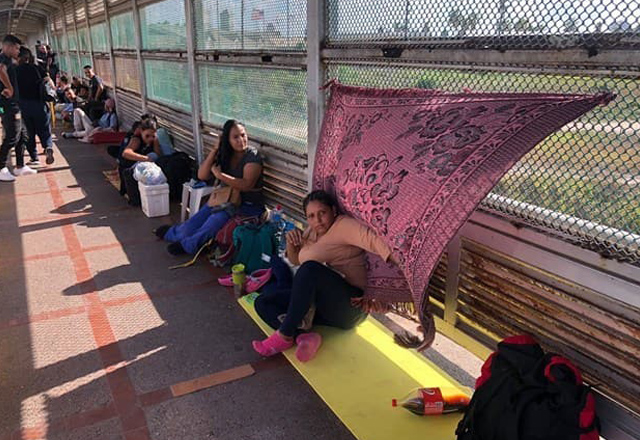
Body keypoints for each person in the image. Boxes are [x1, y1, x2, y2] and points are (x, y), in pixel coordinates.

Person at [252, 190, 396, 362]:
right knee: (262, 302)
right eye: (311, 216)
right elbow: (296, 260)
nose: (318, 220)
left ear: (333, 211)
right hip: (320, 307)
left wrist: (401, 262)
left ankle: (284, 335)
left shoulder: (343, 226)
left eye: (322, 213)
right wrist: (291, 243)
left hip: (350, 307)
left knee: (310, 269)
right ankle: (302, 336)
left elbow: (373, 240)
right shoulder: (311, 232)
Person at [154, 119, 265, 256]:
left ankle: (189, 246)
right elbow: (202, 175)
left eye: (243, 135)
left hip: (247, 206)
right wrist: (215, 149)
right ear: (227, 140)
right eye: (235, 137)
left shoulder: (252, 156)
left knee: (215, 220)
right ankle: (174, 233)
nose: (241, 140)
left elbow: (247, 184)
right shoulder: (225, 155)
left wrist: (220, 175)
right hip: (224, 200)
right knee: (193, 222)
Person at [16, 46, 55, 167]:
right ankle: (48, 147)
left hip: (23, 106)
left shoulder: (15, 70)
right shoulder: (37, 68)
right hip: (40, 104)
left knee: (29, 133)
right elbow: (50, 84)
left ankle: (34, 157)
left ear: (18, 57)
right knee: (44, 130)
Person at [0, 35, 31, 182]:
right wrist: (10, 88)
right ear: (8, 46)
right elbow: (0, 70)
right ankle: (1, 168)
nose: (18, 51)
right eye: (17, 48)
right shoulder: (3, 59)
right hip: (8, 105)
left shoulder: (8, 60)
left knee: (23, 135)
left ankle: (20, 166)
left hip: (13, 104)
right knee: (12, 137)